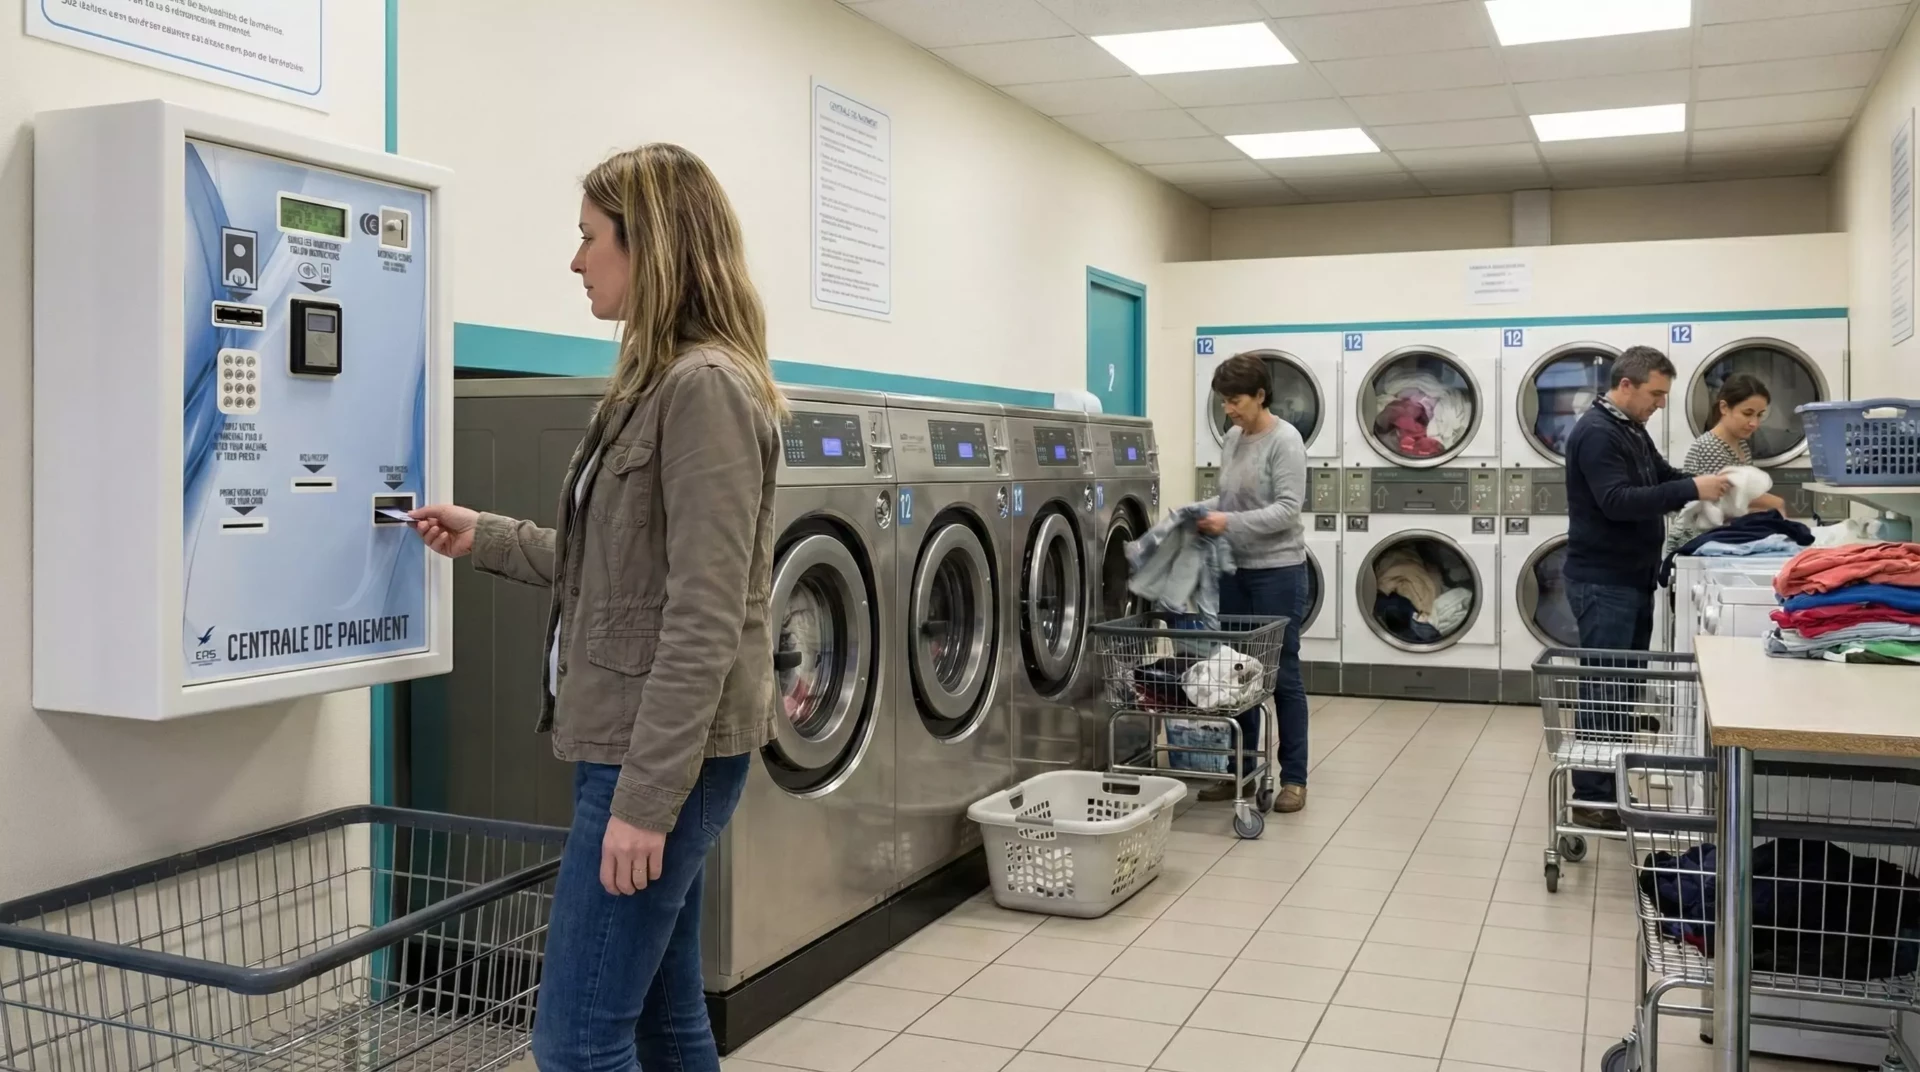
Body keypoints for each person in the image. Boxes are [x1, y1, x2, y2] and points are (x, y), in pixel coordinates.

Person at [409, 143, 781, 1072]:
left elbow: (704, 615)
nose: (575, 261)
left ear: (648, 244)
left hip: (656, 756)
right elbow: (615, 577)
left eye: (589, 237)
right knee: (663, 1020)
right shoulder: (653, 385)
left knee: (576, 1043)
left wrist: (645, 803)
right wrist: (486, 535)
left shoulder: (703, 390)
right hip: (639, 743)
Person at [1563, 346, 1730, 828]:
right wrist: (1692, 490)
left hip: (1630, 578)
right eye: (1655, 394)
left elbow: (1662, 477)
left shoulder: (1630, 428)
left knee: (1624, 690)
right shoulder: (1597, 432)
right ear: (1626, 385)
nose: (1660, 403)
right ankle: (1592, 798)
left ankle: (1610, 787)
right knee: (1605, 691)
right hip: (1603, 581)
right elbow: (1617, 501)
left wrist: (1711, 484)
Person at [1195, 352, 1311, 813]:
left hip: (1278, 572)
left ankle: (1295, 779)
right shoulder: (1232, 438)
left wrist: (1228, 522)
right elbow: (1230, 499)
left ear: (1261, 395)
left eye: (1236, 400)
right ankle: (1239, 773)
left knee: (1281, 675)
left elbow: (1287, 509)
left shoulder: (1286, 441)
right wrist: (1199, 511)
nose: (1229, 410)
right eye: (1224, 401)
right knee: (1236, 673)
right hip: (1235, 571)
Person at [1663, 373, 1789, 553]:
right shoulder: (1710, 446)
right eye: (1747, 413)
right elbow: (1726, 500)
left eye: (1760, 415)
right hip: (1698, 543)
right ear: (1724, 407)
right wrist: (1775, 503)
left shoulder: (1741, 445)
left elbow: (1742, 499)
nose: (1754, 423)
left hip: (1722, 538)